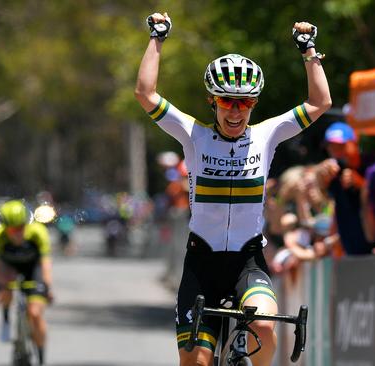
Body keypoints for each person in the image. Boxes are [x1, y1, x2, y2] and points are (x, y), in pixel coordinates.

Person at [135, 12, 331, 366]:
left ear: (254, 104)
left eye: (245, 102)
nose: (236, 111)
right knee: (196, 363)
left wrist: (309, 50)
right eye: (227, 101)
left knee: (264, 326)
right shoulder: (193, 134)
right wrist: (157, 39)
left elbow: (320, 103)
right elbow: (145, 93)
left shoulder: (266, 134)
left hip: (247, 261)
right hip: (202, 264)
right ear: (213, 101)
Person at [0, 199, 53, 365]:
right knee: (5, 287)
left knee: (34, 313)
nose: (18, 233)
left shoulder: (38, 233)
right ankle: (5, 318)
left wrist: (47, 287)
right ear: (5, 228)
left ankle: (40, 355)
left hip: (33, 271)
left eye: (21, 227)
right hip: (10, 268)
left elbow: (45, 264)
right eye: (13, 229)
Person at [314, 122, 372, 255]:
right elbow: (324, 199)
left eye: (340, 146)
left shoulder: (369, 166)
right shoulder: (335, 171)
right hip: (349, 248)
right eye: (332, 147)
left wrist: (361, 183)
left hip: (373, 246)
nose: (336, 152)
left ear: (354, 143)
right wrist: (320, 177)